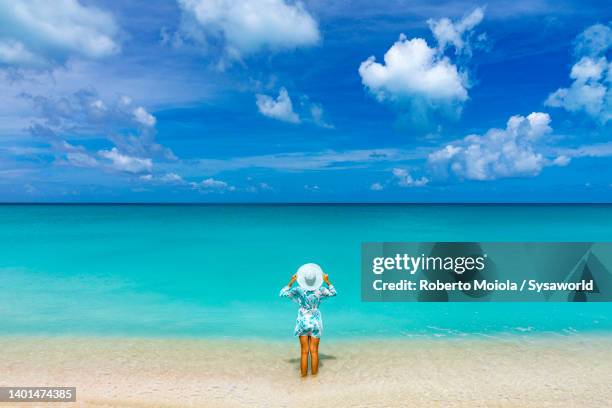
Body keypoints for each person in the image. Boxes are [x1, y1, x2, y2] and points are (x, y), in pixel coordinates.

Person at [280, 263, 337, 377]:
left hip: (303, 322)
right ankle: (314, 381)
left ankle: (304, 380)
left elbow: (282, 294)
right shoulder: (321, 290)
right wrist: (327, 281)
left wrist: (291, 281)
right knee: (314, 352)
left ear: (303, 279)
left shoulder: (298, 290)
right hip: (315, 322)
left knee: (304, 352)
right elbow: (334, 293)